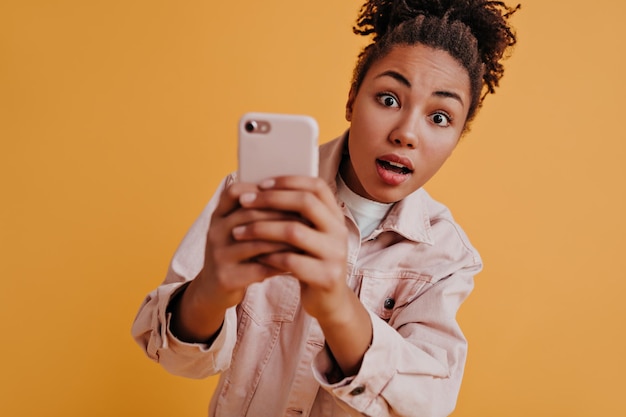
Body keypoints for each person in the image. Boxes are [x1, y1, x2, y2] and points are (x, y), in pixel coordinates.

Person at [132, 0, 519, 416]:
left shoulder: (447, 257)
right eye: (389, 99)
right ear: (352, 100)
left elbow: (426, 406)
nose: (406, 133)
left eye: (440, 117)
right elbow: (171, 355)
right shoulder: (251, 195)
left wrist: (336, 305)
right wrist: (210, 290)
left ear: (458, 137)